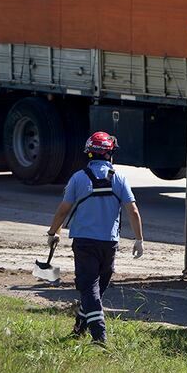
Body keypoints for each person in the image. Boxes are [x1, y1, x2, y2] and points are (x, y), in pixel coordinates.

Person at [46, 131, 144, 346]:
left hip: (84, 242)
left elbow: (63, 210)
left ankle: (88, 330)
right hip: (109, 243)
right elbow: (133, 211)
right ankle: (97, 335)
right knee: (94, 287)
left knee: (91, 289)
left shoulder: (78, 178)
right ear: (110, 154)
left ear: (89, 154)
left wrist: (53, 233)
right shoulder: (119, 178)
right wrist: (139, 239)